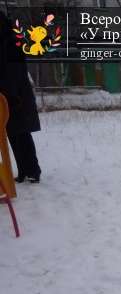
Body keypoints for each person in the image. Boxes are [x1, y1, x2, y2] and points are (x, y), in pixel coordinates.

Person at [0, 12, 42, 183]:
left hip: (17, 95)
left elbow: (15, 71)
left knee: (21, 133)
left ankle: (33, 170)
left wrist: (13, 94)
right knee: (12, 133)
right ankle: (24, 170)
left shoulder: (10, 42)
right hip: (7, 94)